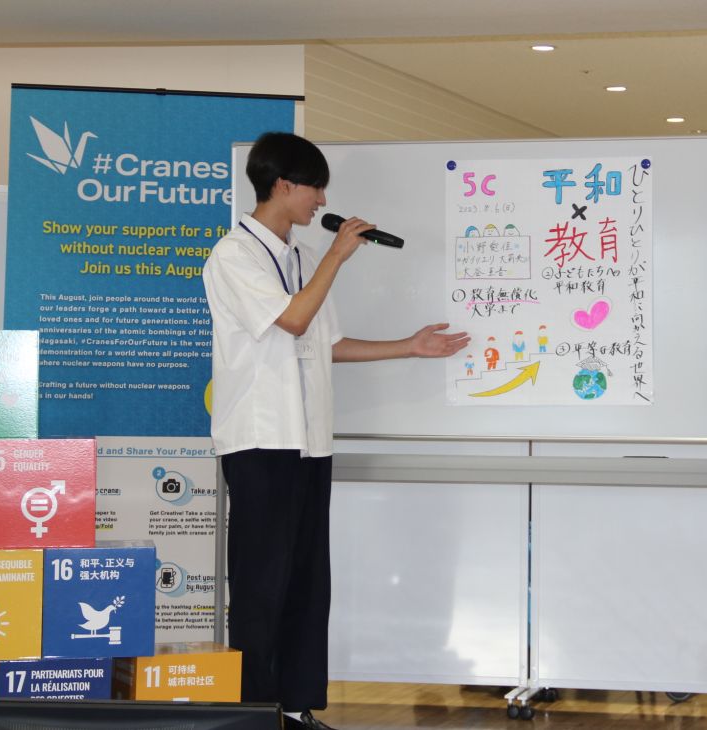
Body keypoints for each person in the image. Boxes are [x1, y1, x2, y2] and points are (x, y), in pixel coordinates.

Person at [202, 131, 469, 730]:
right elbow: (294, 320)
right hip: (259, 440)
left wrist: (411, 347)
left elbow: (329, 345)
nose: (323, 200)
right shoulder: (234, 256)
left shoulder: (297, 258)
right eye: (315, 187)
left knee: (305, 581)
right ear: (282, 185)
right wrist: (336, 258)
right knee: (261, 584)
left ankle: (294, 708)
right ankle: (250, 713)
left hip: (309, 442)